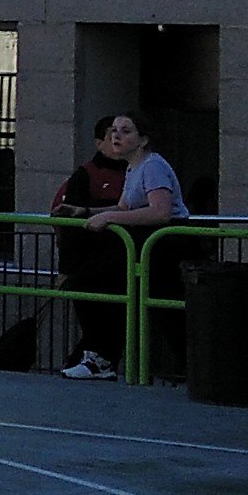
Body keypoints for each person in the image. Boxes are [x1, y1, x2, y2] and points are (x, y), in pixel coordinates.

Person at [55, 112, 185, 381]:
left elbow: (160, 212)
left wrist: (109, 218)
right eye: (114, 130)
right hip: (144, 243)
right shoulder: (133, 166)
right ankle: (101, 357)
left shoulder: (152, 166)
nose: (116, 135)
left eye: (126, 131)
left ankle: (104, 358)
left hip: (162, 244)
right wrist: (86, 211)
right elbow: (125, 206)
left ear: (143, 139)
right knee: (99, 288)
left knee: (167, 309)